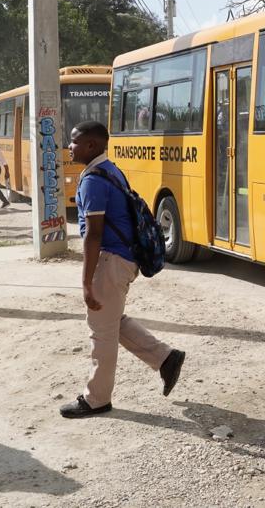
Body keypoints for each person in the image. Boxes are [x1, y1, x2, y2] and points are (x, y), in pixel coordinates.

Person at [59, 120, 185, 418]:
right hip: (123, 259)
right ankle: (165, 358)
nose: (70, 147)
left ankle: (96, 399)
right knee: (111, 320)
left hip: (110, 261)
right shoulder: (110, 170)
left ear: (92, 146)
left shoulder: (92, 181)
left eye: (74, 142)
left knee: (101, 332)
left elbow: (94, 235)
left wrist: (86, 282)